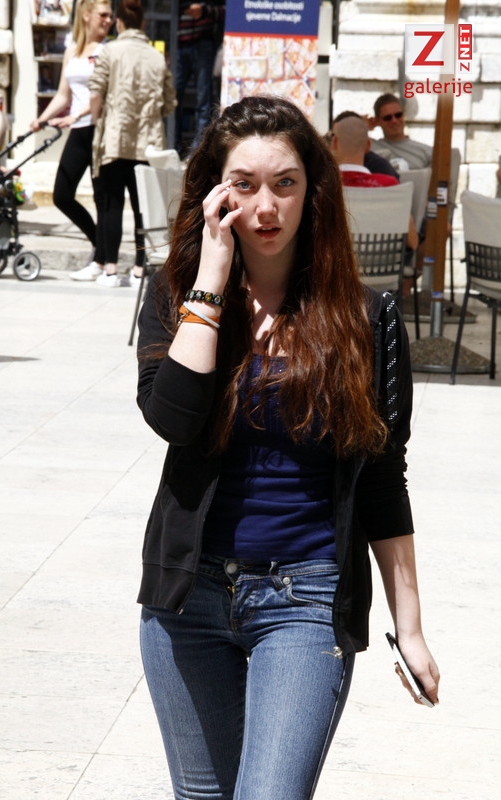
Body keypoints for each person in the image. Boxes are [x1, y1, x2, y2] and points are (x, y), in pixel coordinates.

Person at [136, 95, 440, 800]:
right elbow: (173, 419)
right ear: (215, 193)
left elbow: (383, 478)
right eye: (243, 185)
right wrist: (211, 281)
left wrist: (411, 626)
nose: (266, 207)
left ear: (313, 191)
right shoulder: (177, 296)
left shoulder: (366, 318)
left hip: (305, 597)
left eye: (285, 184)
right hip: (187, 596)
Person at [89, 0, 177, 287]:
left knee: (112, 204)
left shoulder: (109, 51)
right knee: (144, 207)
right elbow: (169, 102)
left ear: (119, 23)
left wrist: (97, 120)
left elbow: (96, 93)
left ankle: (111, 269)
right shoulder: (156, 57)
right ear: (143, 24)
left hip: (115, 138)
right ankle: (140, 270)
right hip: (148, 143)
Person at [30, 0, 113, 281]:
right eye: (103, 14)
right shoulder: (72, 51)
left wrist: (76, 115)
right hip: (78, 130)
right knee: (62, 195)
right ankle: (98, 245)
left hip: (99, 128)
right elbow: (63, 95)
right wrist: (42, 119)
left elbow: (103, 94)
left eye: (110, 15)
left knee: (102, 198)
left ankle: (101, 259)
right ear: (86, 15)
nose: (108, 20)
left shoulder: (108, 50)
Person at [331, 114, 419, 251]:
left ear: (334, 143)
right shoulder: (390, 186)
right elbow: (413, 243)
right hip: (385, 263)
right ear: (368, 145)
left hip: (338, 263)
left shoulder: (326, 185)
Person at [175, 2, 225, 157]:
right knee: (173, 100)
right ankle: (173, 146)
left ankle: (197, 152)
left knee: (204, 100)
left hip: (204, 41)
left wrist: (204, 11)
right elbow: (163, 9)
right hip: (177, 42)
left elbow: (227, 11)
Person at [368, 93, 432, 170]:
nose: (394, 120)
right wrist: (363, 125)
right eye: (387, 118)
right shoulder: (368, 147)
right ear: (377, 121)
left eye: (398, 115)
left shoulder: (426, 151)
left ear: (404, 115)